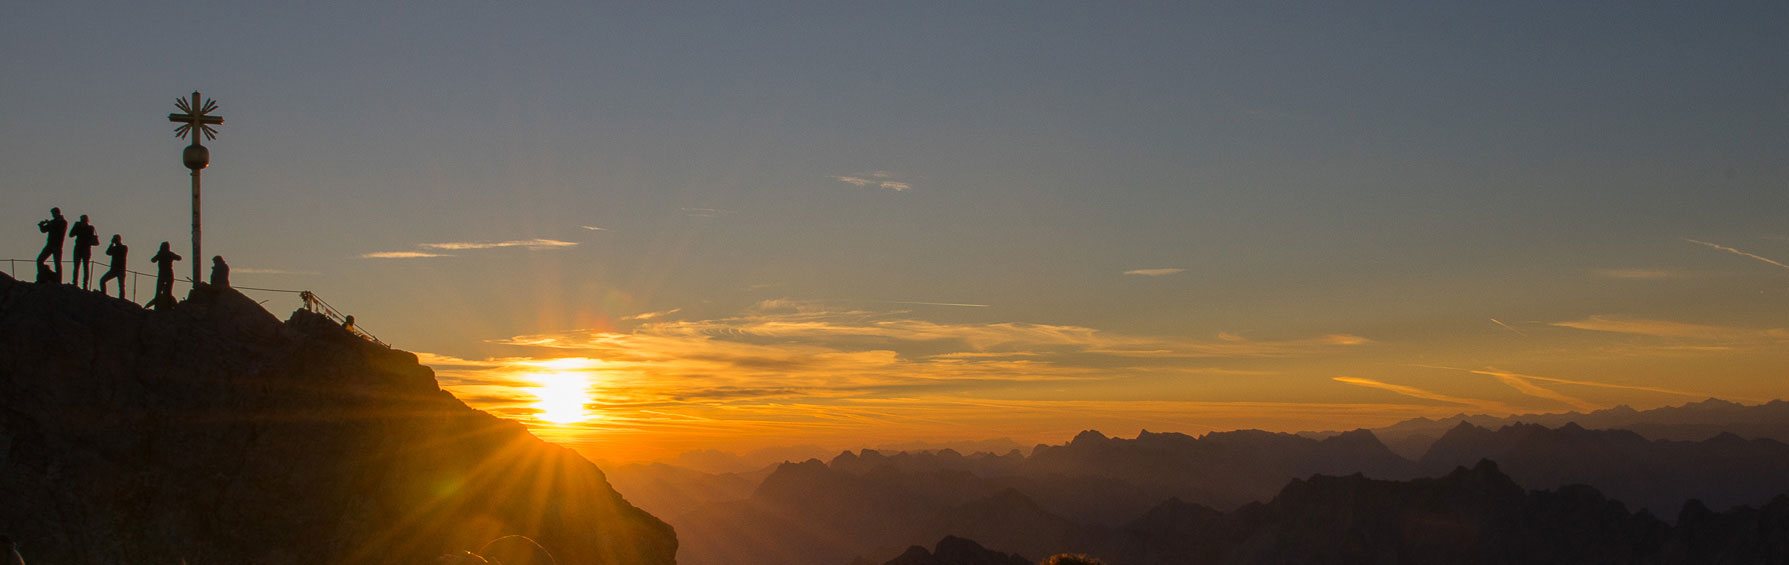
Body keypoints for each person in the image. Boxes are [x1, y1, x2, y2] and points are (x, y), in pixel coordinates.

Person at [35, 207, 67, 281]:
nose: (53, 215)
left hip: (57, 246)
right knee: (40, 260)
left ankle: (58, 280)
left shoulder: (63, 222)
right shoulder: (53, 222)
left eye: (53, 213)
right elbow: (44, 230)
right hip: (50, 245)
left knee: (57, 263)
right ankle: (42, 277)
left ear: (57, 213)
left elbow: (58, 230)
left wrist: (50, 224)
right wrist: (41, 225)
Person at [148, 242, 181, 310]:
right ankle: (168, 307)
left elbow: (153, 260)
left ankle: (157, 307)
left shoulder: (160, 254)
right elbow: (179, 258)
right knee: (168, 292)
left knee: (158, 292)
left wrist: (159, 254)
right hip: (169, 274)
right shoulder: (170, 254)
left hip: (162, 274)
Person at [68, 214, 98, 289]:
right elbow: (71, 234)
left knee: (84, 267)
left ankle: (84, 285)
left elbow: (89, 238)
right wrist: (76, 226)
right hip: (79, 248)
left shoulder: (90, 228)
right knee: (77, 266)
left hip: (85, 249)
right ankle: (75, 283)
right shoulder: (79, 226)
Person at [98, 235, 128, 299]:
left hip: (120, 270)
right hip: (114, 269)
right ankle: (103, 294)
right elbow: (108, 253)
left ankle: (121, 299)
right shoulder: (115, 248)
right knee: (102, 280)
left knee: (121, 286)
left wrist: (113, 244)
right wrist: (111, 244)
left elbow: (111, 252)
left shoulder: (123, 247)